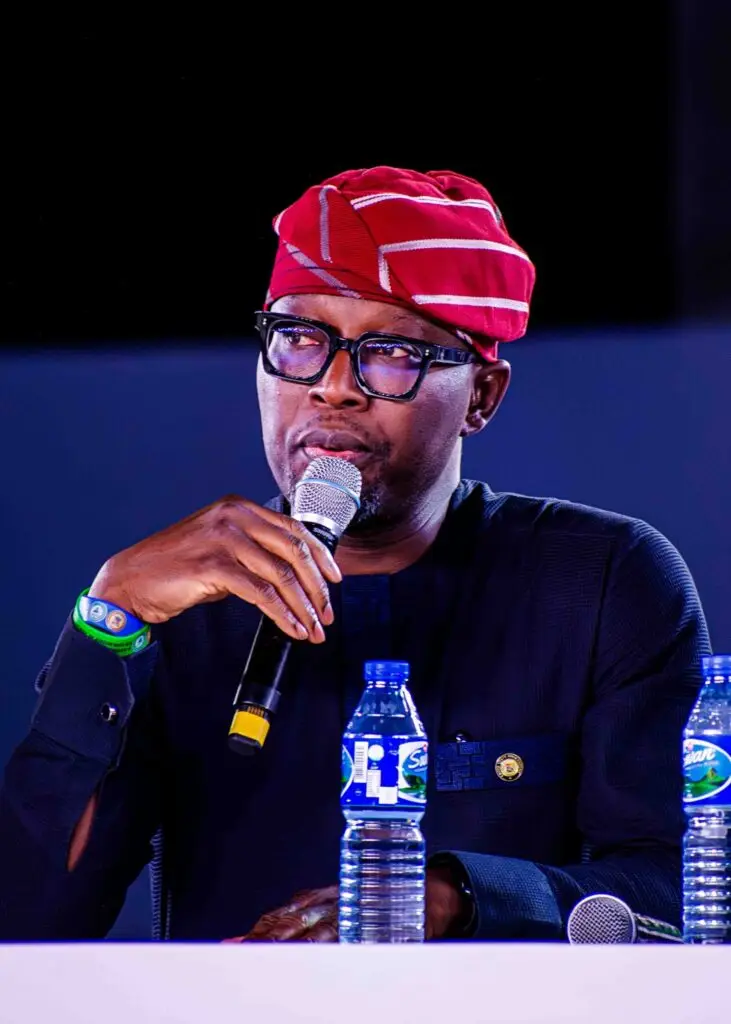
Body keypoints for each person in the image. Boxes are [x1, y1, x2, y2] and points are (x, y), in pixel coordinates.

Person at [0, 166, 709, 942]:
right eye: (299, 341)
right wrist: (107, 622)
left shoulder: (601, 580)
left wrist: (456, 899)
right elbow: (31, 922)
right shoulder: (178, 603)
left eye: (391, 352)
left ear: (481, 396)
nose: (333, 387)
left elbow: (675, 893)